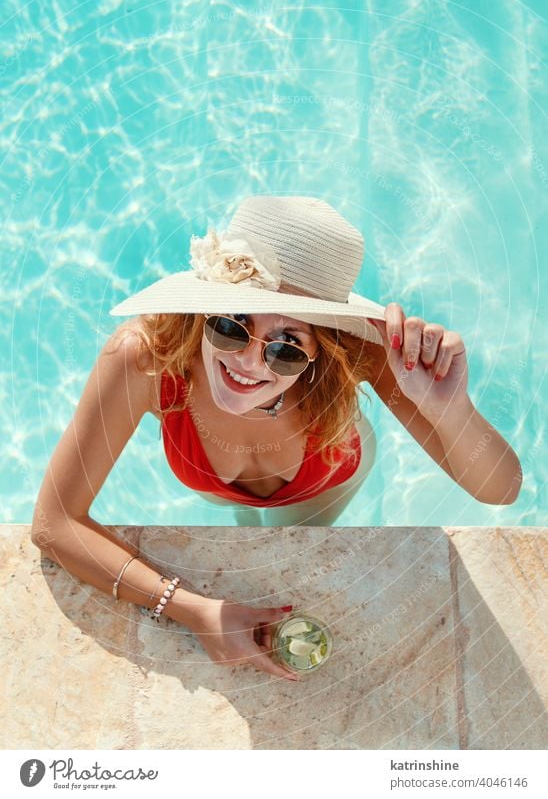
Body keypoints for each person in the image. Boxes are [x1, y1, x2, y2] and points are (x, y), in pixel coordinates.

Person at [32, 195, 522, 681]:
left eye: (287, 348)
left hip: (328, 484)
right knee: (254, 531)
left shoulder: (361, 358)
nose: (247, 363)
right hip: (219, 491)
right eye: (231, 325)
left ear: (324, 350)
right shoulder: (145, 357)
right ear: (205, 308)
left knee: (296, 539)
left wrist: (451, 409)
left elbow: (499, 490)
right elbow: (53, 523)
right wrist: (191, 609)